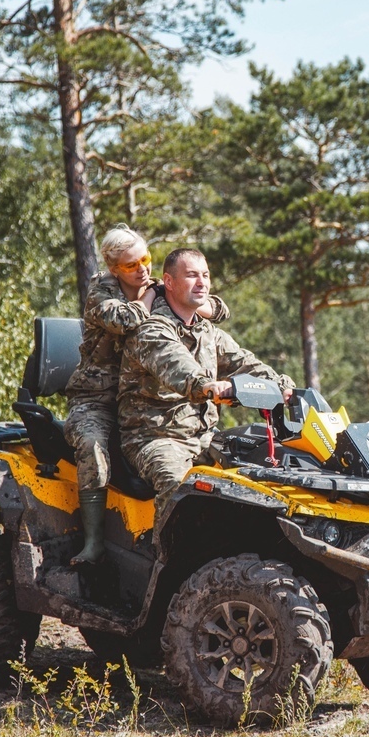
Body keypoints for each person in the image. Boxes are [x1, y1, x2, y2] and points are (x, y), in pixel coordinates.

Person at [65, 227, 228, 565]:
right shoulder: (103, 292)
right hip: (96, 395)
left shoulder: (154, 287)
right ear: (114, 269)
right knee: (93, 448)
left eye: (146, 259)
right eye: (131, 265)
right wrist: (153, 297)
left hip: (139, 396)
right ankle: (93, 542)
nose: (142, 269)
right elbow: (125, 319)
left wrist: (200, 303)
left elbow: (216, 310)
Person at [118, 247, 294, 515]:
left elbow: (245, 363)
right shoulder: (151, 329)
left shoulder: (207, 331)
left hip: (205, 437)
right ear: (169, 282)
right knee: (180, 489)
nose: (202, 283)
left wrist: (281, 385)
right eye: (192, 275)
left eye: (206, 275)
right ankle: (169, 556)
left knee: (262, 474)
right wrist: (208, 386)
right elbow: (179, 367)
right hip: (155, 438)